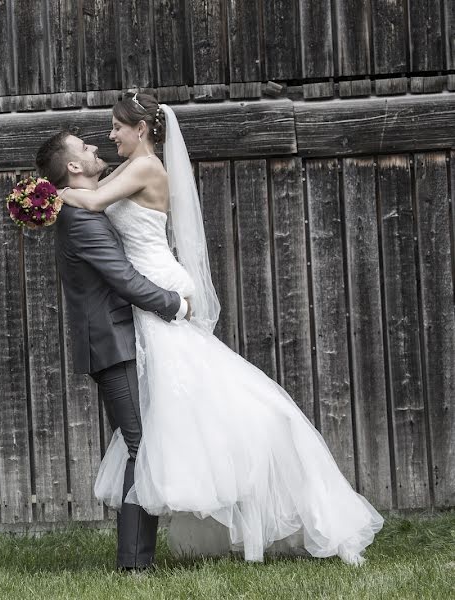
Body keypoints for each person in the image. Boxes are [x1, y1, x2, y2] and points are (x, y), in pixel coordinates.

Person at [47, 91, 383, 566]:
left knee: (200, 414)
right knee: (174, 420)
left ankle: (150, 550)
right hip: (144, 301)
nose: (109, 135)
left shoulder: (142, 169)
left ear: (141, 130)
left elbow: (96, 201)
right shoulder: (126, 169)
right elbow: (100, 207)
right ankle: (147, 547)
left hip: (156, 291)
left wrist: (52, 192)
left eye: (118, 126)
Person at [35, 130, 190, 572]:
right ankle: (133, 565)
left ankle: (137, 559)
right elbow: (123, 278)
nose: (95, 148)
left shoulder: (88, 205)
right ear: (74, 167)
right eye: (84, 148)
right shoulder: (80, 218)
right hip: (112, 342)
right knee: (141, 446)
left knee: (139, 443)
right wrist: (174, 304)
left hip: (121, 338)